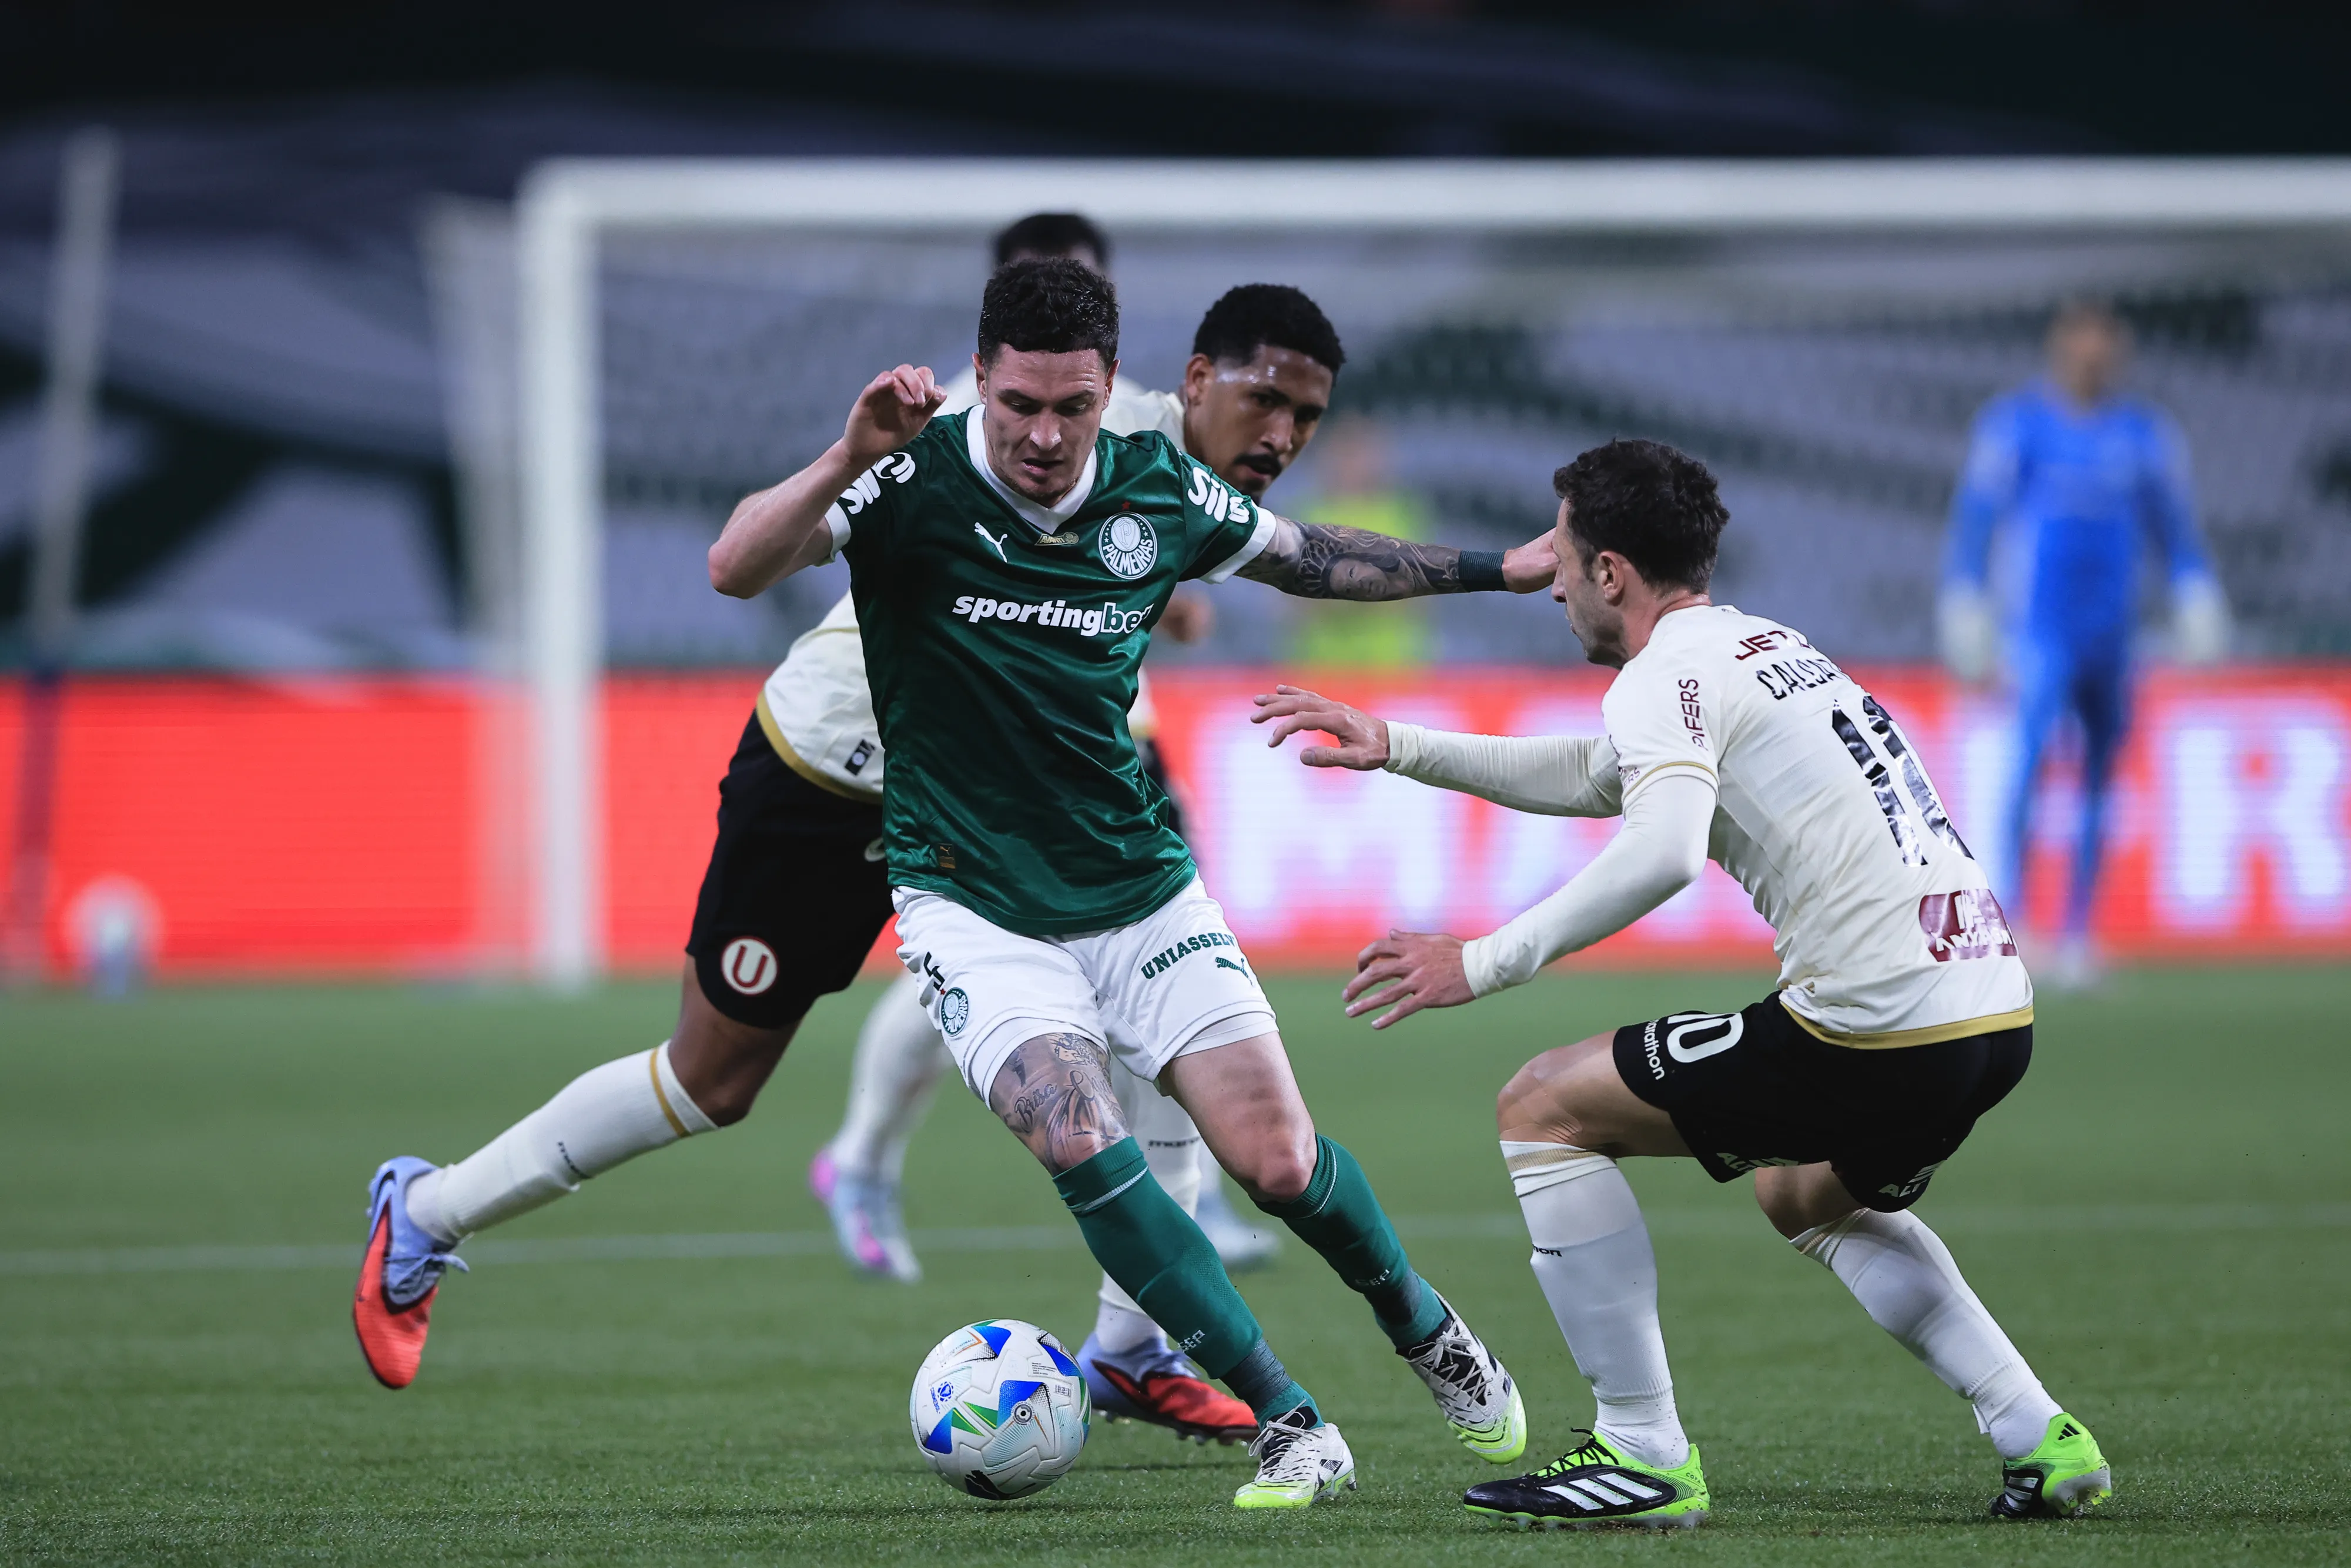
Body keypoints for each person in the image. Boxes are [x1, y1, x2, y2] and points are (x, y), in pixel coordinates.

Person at [695, 257, 1557, 1508]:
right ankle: (1289, 1420)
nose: (1045, 437)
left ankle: (1426, 1326)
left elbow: (1314, 556)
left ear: (1112, 394)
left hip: (1138, 888)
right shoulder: (908, 472)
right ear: (980, 382)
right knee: (1078, 1135)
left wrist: (1497, 567)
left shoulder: (1160, 486)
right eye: (1020, 406)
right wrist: (843, 452)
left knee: (1273, 1158)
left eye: (1073, 408)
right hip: (966, 900)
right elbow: (733, 564)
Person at [1253, 438, 2111, 1527]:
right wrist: (1398, 742)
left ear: (1611, 570)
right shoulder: (1758, 646)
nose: (1553, 581)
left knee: (1542, 1108)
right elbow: (1605, 775)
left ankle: (1643, 1449)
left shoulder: (1666, 674)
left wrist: (1478, 962)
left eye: (1563, 556)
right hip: (1990, 1008)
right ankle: (2040, 1433)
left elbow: (1662, 850)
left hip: (1875, 1020)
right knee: (1803, 1192)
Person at [819, 283, 1346, 1448]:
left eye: (1303, 419)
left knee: (1146, 986)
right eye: (1267, 405)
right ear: (1196, 382)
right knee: (991, 962)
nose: (1281, 439)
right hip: (967, 748)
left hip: (1107, 742)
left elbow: (1179, 593)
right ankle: (860, 1159)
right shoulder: (1071, 436)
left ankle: (1139, 1321)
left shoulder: (1174, 476)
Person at [1941, 299, 2226, 987]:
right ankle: (2017, 925)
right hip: (2039, 633)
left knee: (2101, 774)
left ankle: (2078, 932)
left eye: (2105, 339)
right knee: (2031, 767)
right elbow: (1976, 523)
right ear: (2060, 345)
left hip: (2113, 636)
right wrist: (1965, 599)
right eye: (2082, 338)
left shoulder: (2144, 435)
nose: (2094, 352)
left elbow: (2174, 529)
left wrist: (2195, 590)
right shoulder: (2017, 428)